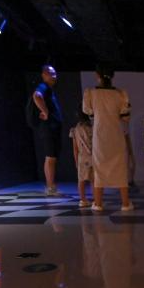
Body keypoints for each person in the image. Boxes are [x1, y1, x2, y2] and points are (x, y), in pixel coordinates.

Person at [83, 64, 133, 211]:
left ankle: (98, 203)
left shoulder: (91, 93)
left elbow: (88, 112)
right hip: (116, 136)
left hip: (100, 137)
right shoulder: (120, 94)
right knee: (120, 169)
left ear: (97, 75)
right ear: (112, 76)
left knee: (99, 168)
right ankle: (125, 203)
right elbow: (126, 117)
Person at [32, 65, 63, 196]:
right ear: (44, 75)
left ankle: (51, 186)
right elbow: (36, 95)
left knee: (52, 157)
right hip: (48, 128)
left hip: (52, 128)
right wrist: (45, 111)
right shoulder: (43, 87)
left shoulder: (49, 89)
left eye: (55, 73)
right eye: (51, 73)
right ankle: (50, 188)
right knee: (50, 157)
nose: (54, 76)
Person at [69, 111, 93, 208]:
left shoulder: (75, 130)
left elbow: (75, 148)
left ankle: (83, 200)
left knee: (81, 179)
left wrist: (76, 161)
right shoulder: (92, 127)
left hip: (82, 157)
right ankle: (97, 200)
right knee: (94, 179)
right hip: (93, 155)